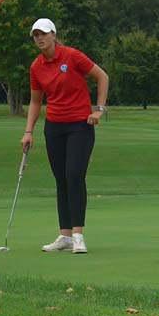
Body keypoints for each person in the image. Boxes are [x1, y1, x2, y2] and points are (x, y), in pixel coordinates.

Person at [21, 18, 109, 254]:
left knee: (74, 176)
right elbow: (36, 100)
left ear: (53, 35)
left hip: (80, 125)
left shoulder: (72, 56)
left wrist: (99, 110)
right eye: (35, 35)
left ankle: (78, 235)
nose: (39, 39)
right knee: (61, 179)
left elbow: (102, 77)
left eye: (43, 34)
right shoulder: (36, 66)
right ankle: (65, 235)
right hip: (54, 127)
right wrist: (28, 131)